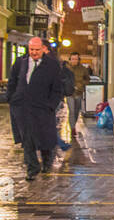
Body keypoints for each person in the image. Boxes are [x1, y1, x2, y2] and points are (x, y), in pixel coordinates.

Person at [7, 37, 65, 180]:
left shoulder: (52, 65)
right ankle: (32, 168)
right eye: (31, 49)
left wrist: (51, 105)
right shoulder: (21, 62)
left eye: (37, 50)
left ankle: (46, 162)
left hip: (43, 108)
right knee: (27, 138)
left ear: (42, 49)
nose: (34, 52)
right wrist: (12, 99)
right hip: (23, 107)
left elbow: (57, 88)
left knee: (44, 137)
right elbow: (12, 81)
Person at [65, 53, 91, 141]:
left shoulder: (83, 69)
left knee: (76, 111)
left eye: (76, 59)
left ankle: (74, 124)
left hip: (79, 92)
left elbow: (87, 79)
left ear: (78, 60)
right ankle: (72, 129)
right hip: (69, 93)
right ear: (70, 59)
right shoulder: (66, 69)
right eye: (72, 59)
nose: (74, 61)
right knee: (71, 111)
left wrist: (81, 85)